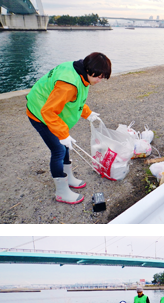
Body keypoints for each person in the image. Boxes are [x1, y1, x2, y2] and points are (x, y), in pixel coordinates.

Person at [26, 52, 111, 204]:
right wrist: (63, 134)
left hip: (50, 110)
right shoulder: (69, 85)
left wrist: (87, 113)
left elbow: (74, 101)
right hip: (39, 112)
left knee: (65, 147)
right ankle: (61, 191)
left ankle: (68, 177)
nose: (100, 80)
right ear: (89, 70)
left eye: (102, 77)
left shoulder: (82, 74)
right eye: (98, 76)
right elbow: (48, 111)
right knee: (58, 149)